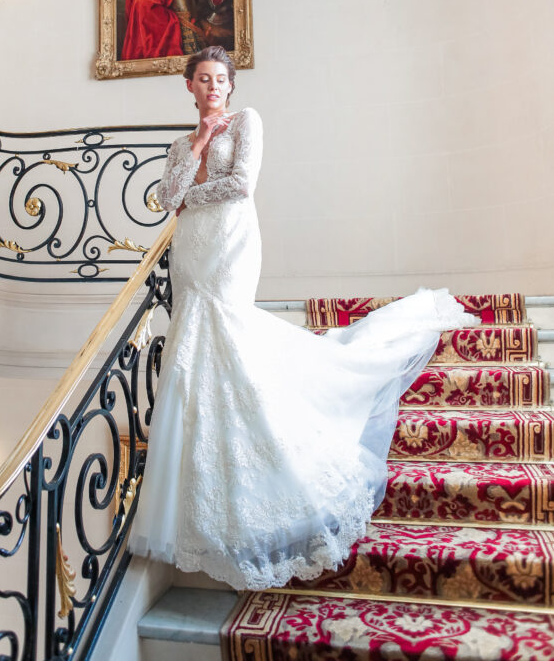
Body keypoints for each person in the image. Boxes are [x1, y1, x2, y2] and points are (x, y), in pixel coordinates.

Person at [128, 46, 477, 590]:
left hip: (231, 241)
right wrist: (195, 148)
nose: (213, 86)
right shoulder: (181, 143)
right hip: (191, 250)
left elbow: (241, 183)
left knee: (229, 334)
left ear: (231, 85)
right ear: (190, 87)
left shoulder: (248, 121)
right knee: (193, 347)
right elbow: (163, 198)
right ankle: (203, 488)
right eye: (203, 78)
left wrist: (190, 191)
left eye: (221, 78)